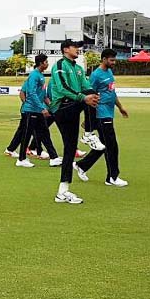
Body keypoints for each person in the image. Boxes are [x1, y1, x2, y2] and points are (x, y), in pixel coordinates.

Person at [48, 40, 99, 204]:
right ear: (65, 49)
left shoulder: (78, 68)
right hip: (61, 107)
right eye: (74, 46)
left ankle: (62, 191)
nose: (78, 49)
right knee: (87, 97)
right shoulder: (60, 65)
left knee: (69, 150)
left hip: (73, 107)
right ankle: (89, 133)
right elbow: (63, 88)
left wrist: (92, 95)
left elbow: (86, 86)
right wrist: (84, 97)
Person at [73, 49, 129, 186]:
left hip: (109, 112)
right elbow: (89, 97)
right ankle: (112, 177)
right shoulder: (96, 76)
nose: (114, 62)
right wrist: (89, 120)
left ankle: (82, 166)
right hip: (101, 114)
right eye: (111, 60)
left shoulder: (109, 72)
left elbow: (112, 92)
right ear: (104, 59)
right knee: (112, 146)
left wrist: (120, 107)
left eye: (114, 60)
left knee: (103, 146)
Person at [15, 54, 61, 168]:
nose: (47, 64)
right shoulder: (34, 75)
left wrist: (52, 106)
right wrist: (42, 108)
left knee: (45, 134)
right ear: (41, 63)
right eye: (46, 62)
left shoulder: (40, 75)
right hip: (31, 110)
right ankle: (21, 159)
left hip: (37, 111)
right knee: (27, 135)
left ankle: (54, 158)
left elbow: (43, 95)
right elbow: (31, 93)